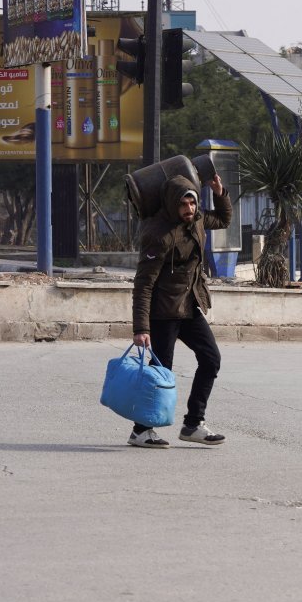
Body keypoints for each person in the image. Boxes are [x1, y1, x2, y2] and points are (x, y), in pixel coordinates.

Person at [129, 173, 233, 449]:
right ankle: (141, 430)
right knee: (161, 373)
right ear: (172, 204)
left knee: (211, 359)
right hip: (163, 313)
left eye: (192, 203)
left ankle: (193, 424)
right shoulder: (158, 235)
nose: (189, 209)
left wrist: (220, 194)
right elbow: (143, 284)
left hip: (189, 305)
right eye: (183, 204)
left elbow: (223, 220)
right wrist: (141, 328)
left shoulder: (197, 220)